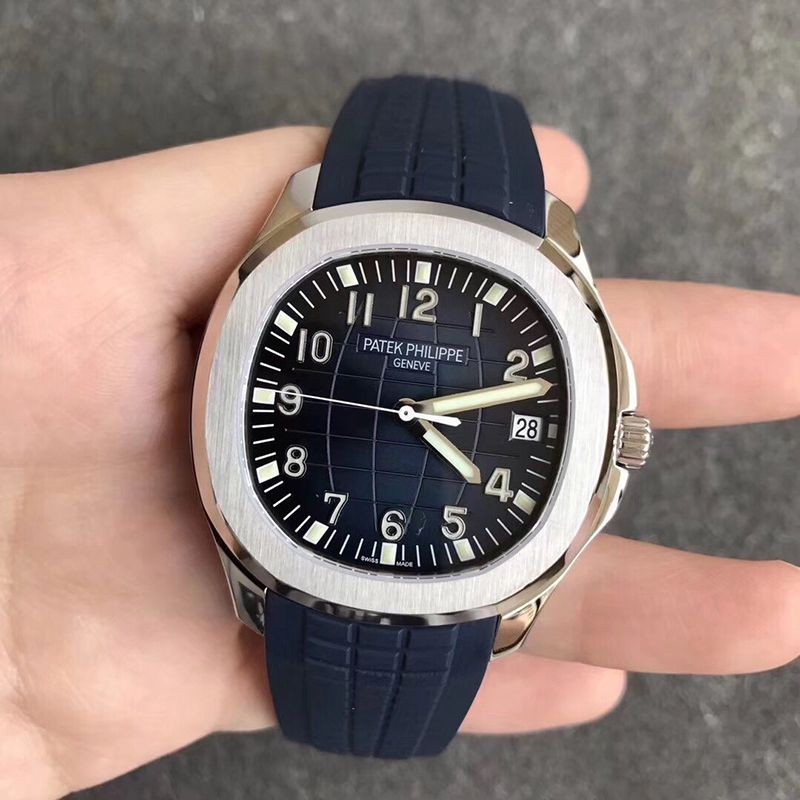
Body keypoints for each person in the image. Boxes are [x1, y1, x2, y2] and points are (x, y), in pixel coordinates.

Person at [0, 125, 798, 798]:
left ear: (617, 442)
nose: (412, 414)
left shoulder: (529, 273)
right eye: (413, 412)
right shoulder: (333, 225)